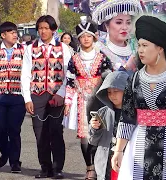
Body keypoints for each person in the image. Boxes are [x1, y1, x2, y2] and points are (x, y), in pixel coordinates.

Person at [111, 15, 166, 180]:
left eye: (145, 45)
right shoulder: (134, 79)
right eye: (139, 46)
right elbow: (127, 117)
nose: (140, 50)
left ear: (160, 48)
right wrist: (118, 150)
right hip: (138, 145)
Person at [21, 15, 71, 179]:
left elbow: (68, 74)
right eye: (40, 28)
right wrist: (27, 98)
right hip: (37, 95)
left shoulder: (64, 48)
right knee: (40, 132)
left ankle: (57, 168)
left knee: (56, 132)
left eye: (46, 28)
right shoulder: (30, 48)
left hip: (57, 95)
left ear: (53, 30)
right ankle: (45, 167)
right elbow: (25, 74)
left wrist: (62, 93)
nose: (42, 31)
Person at [63, 21, 113, 180]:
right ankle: (89, 167)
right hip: (81, 101)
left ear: (94, 38)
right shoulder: (74, 59)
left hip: (100, 101)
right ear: (78, 39)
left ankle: (101, 167)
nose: (85, 39)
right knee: (85, 135)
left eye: (88, 36)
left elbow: (109, 79)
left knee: (101, 134)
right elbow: (70, 82)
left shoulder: (102, 58)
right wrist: (68, 102)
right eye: (82, 36)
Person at [0, 21, 26, 173]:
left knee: (14, 129)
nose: (15, 35)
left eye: (15, 32)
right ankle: (5, 151)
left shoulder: (25, 51)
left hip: (18, 95)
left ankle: (15, 162)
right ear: (3, 35)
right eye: (11, 32)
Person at [89, 71, 129, 180]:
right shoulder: (102, 112)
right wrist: (93, 128)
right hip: (105, 163)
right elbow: (93, 141)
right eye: (109, 92)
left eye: (116, 91)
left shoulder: (134, 114)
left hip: (126, 161)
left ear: (126, 90)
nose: (112, 95)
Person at [92, 0, 143, 72]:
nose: (125, 27)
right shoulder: (97, 49)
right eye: (119, 22)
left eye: (128, 23)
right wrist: (126, 68)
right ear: (107, 25)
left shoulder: (136, 45)